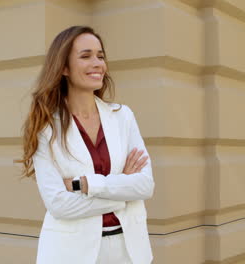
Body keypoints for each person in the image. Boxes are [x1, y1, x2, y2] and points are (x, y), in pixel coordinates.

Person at [20, 25, 155, 264]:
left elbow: (144, 186)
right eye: (86, 56)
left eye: (100, 56)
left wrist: (83, 184)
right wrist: (122, 191)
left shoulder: (123, 116)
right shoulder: (46, 127)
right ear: (63, 67)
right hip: (70, 254)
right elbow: (59, 205)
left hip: (130, 251)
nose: (98, 63)